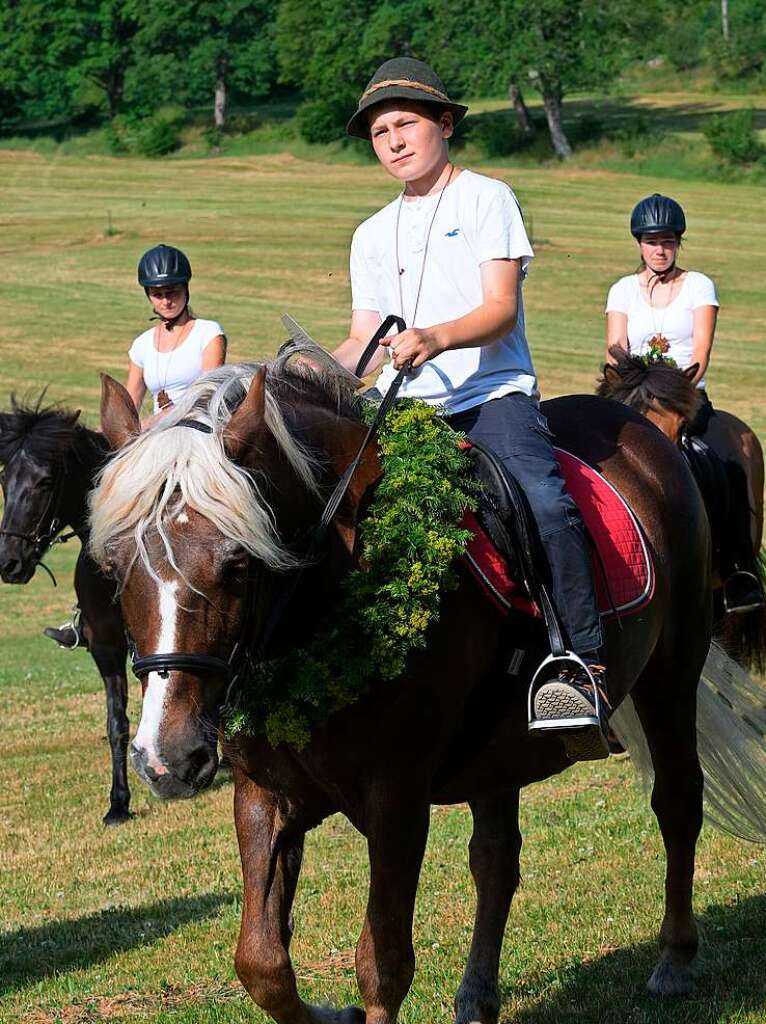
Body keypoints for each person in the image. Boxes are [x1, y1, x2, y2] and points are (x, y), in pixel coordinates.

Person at [332, 57, 611, 761]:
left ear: (445, 124)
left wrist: (434, 337)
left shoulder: (489, 198)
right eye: (379, 132)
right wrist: (303, 377)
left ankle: (582, 663)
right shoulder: (370, 234)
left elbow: (499, 309)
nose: (393, 141)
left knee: (545, 504)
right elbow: (365, 339)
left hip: (492, 397)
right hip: (406, 411)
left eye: (406, 125)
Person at [43, 244, 227, 649]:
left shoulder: (209, 333)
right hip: (152, 442)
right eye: (158, 292)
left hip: (197, 437)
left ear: (186, 288)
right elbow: (129, 400)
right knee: (105, 512)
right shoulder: (142, 344)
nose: (166, 298)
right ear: (148, 295)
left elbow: (208, 390)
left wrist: (152, 423)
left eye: (173, 290)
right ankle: (87, 612)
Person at [605, 194, 763, 612]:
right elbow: (614, 351)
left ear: (678, 243)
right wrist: (632, 381)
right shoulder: (622, 290)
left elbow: (700, 353)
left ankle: (737, 569)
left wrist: (669, 385)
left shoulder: (699, 285)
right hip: (636, 396)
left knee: (722, 458)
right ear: (639, 242)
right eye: (652, 241)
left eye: (669, 241)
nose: (660, 249)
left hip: (685, 398)